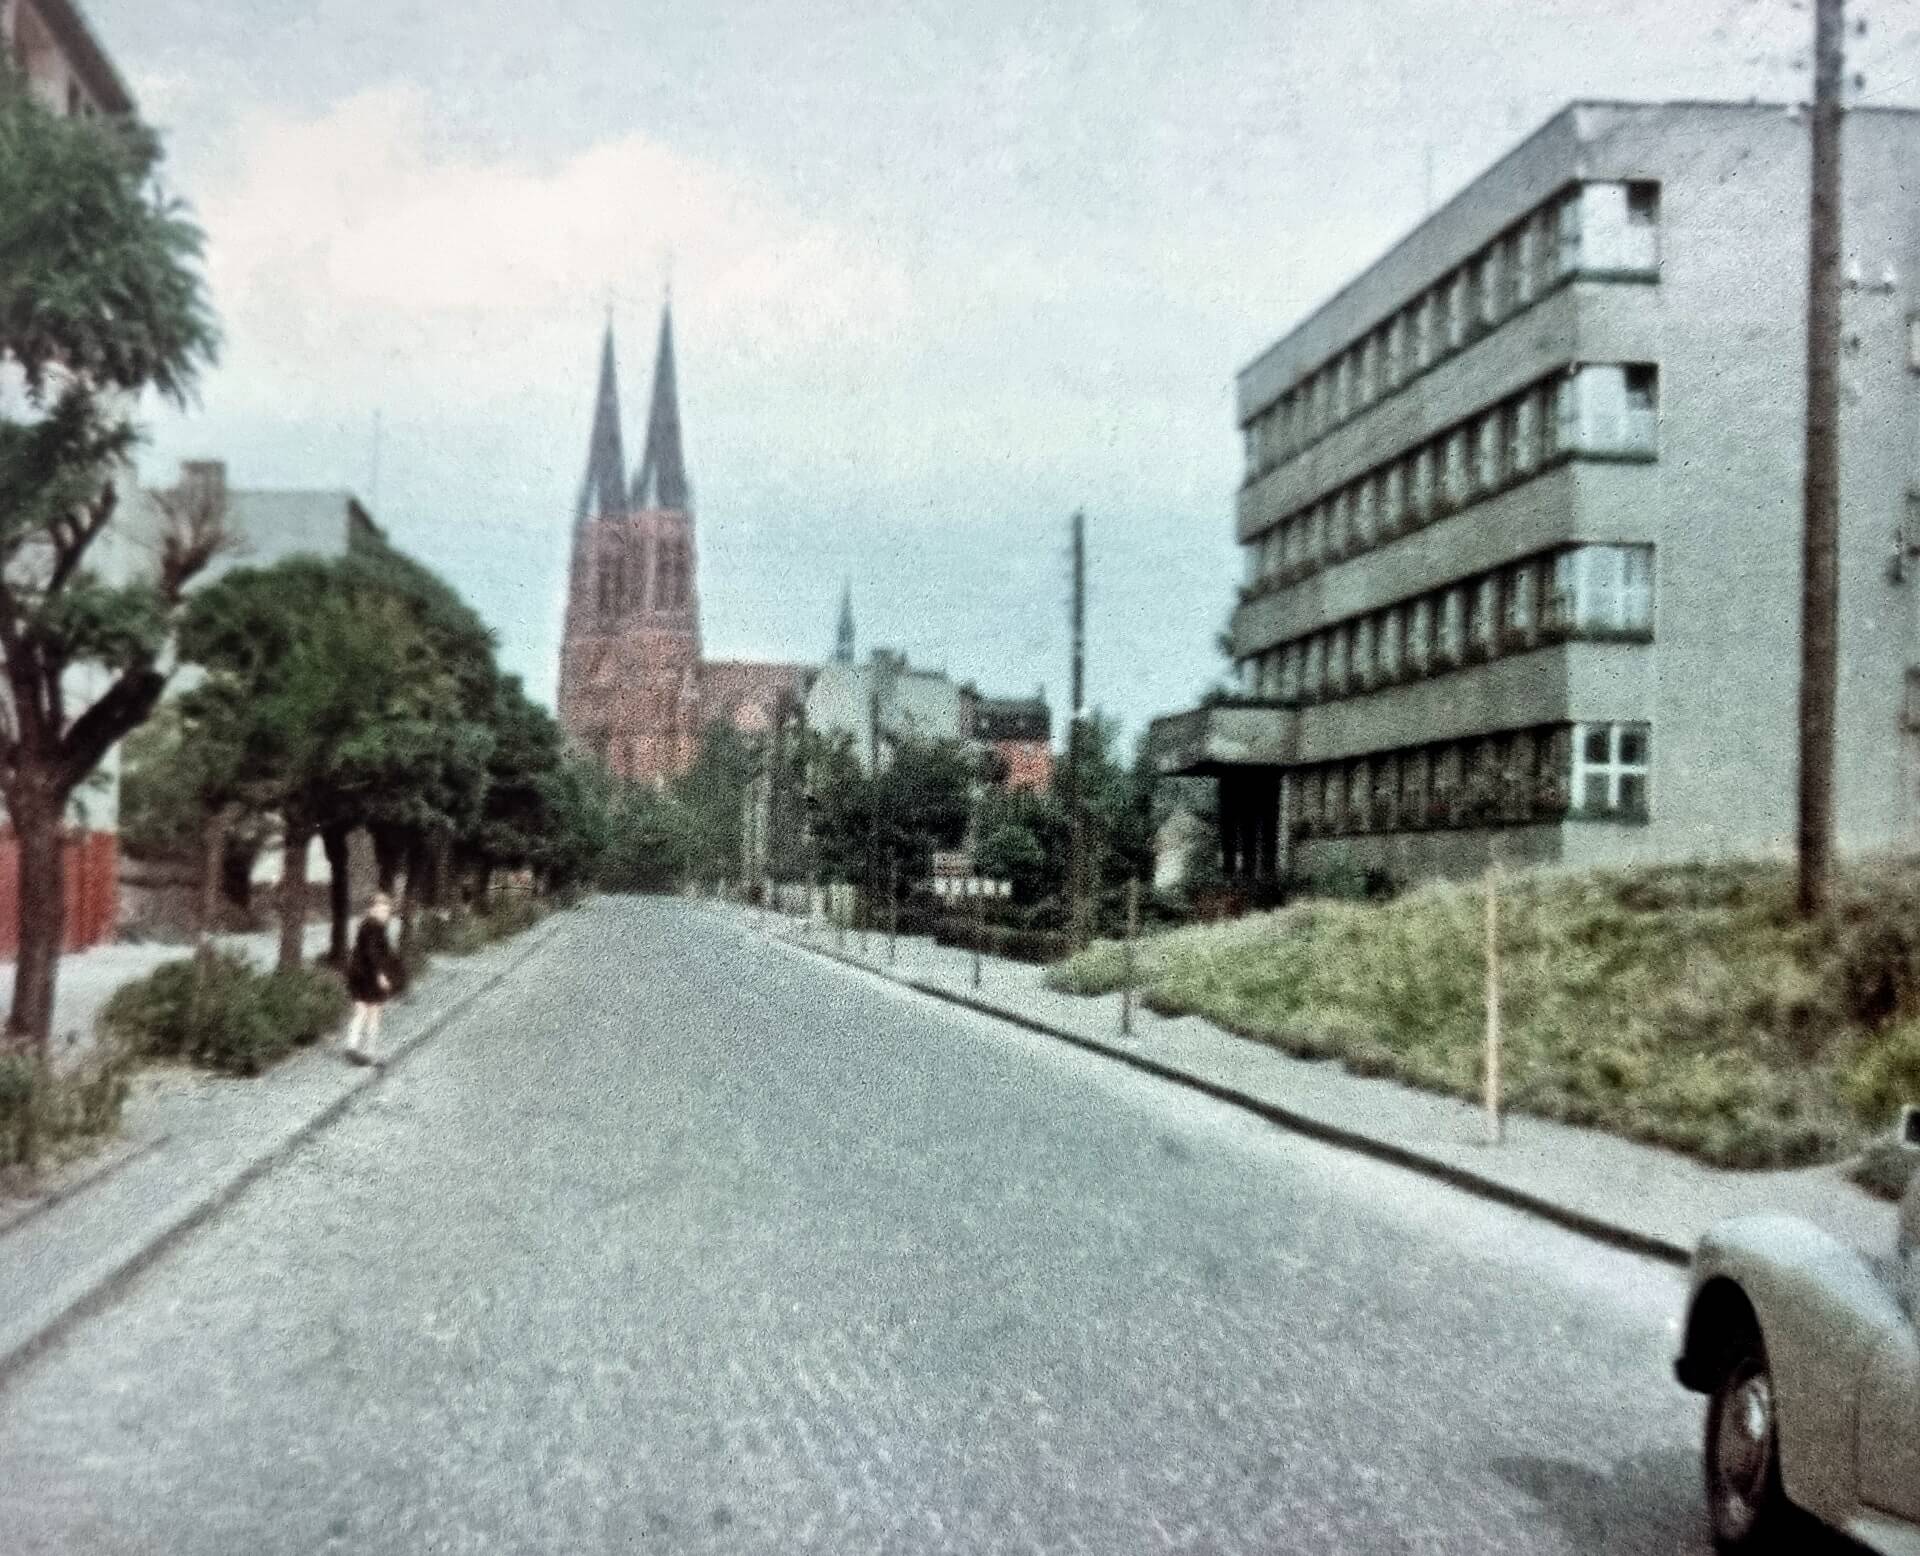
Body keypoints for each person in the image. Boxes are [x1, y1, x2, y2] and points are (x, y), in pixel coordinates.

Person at [343, 893, 400, 1066]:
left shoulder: (365, 925)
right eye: (382, 909)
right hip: (369, 975)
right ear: (373, 909)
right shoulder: (375, 927)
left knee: (360, 1011)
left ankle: (352, 1046)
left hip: (357, 974)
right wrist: (381, 975)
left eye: (387, 910)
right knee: (374, 1013)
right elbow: (373, 953)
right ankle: (370, 1052)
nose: (385, 913)